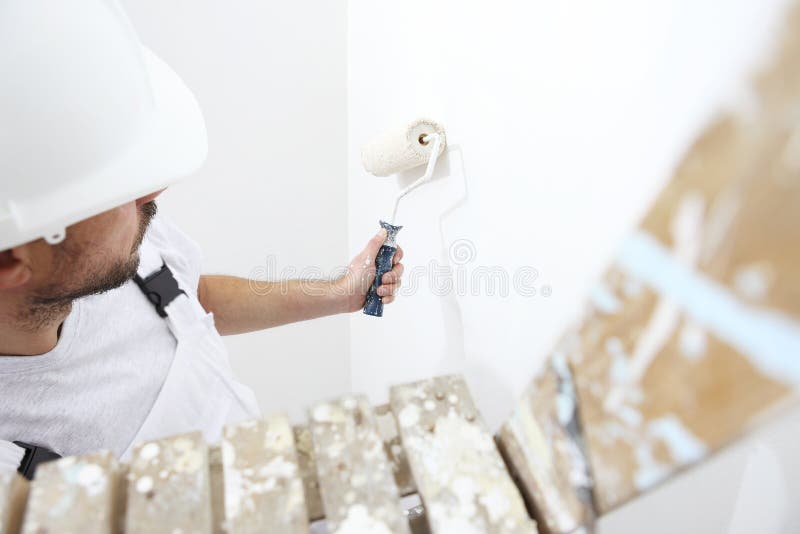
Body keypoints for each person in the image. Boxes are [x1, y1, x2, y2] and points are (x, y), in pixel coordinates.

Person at [0, 0, 403, 477]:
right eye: (115, 190)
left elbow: (189, 298)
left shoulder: (108, 248)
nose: (152, 191)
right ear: (11, 264)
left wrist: (338, 293)